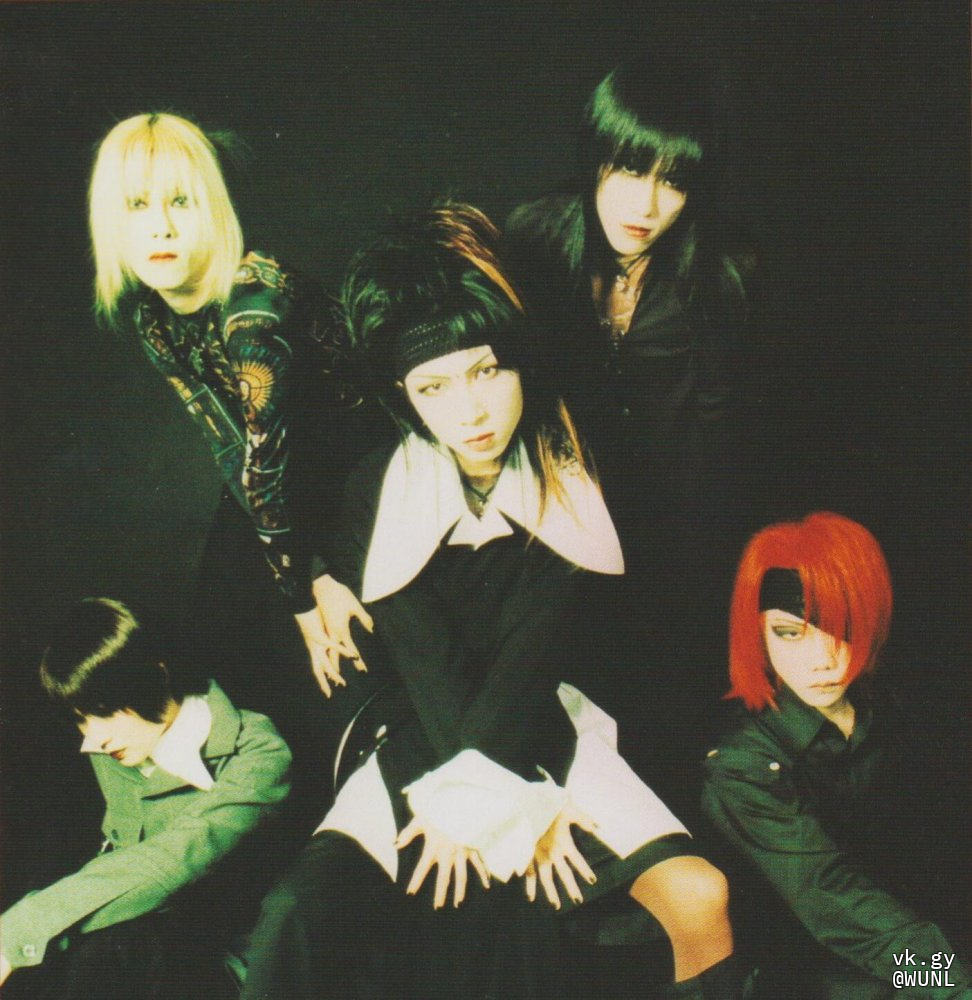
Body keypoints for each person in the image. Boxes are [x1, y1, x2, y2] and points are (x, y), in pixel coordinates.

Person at [240, 203, 740, 1000]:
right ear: (405, 397)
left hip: (545, 722)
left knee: (698, 895)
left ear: (519, 367)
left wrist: (507, 803)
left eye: (486, 372)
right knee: (292, 916)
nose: (469, 411)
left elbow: (529, 663)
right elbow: (427, 666)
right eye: (433, 387)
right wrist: (482, 805)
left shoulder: (572, 472)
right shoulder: (380, 487)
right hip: (420, 732)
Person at [88, 112, 376, 708]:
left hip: (365, 465)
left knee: (342, 636)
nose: (161, 228)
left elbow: (269, 470)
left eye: (180, 202)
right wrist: (307, 579)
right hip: (279, 471)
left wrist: (308, 593)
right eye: (137, 205)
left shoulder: (254, 309)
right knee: (217, 619)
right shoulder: (151, 316)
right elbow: (228, 443)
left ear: (214, 209)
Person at [505, 61, 753, 724]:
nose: (645, 206)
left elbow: (716, 437)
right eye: (630, 169)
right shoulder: (532, 238)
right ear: (594, 157)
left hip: (668, 542)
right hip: (549, 529)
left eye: (673, 181)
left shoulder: (722, 274)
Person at [701, 512, 971, 999]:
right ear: (757, 632)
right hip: (820, 976)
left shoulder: (889, 705)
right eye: (791, 633)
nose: (823, 660)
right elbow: (835, 899)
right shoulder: (742, 766)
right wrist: (947, 981)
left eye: (841, 628)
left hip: (918, 943)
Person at [0, 598, 292, 1000]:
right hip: (139, 940)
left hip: (234, 963)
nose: (92, 739)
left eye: (102, 711)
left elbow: (171, 859)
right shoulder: (121, 745)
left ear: (156, 676)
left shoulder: (259, 754)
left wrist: (15, 934)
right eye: (81, 718)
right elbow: (122, 857)